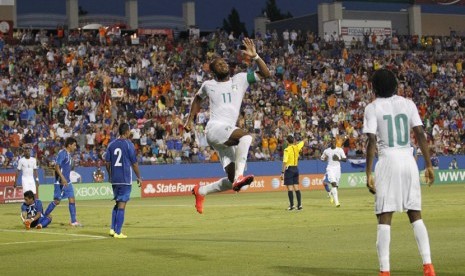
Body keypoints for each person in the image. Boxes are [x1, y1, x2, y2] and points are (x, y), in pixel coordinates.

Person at [184, 37, 270, 214]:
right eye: (218, 65)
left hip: (225, 135)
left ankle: (201, 191)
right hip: (215, 129)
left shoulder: (240, 79)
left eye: (223, 62)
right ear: (214, 73)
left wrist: (255, 57)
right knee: (246, 137)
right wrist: (190, 120)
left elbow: (266, 74)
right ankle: (239, 177)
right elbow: (197, 99)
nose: (222, 64)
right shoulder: (209, 85)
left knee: (236, 185)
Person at [363, 69, 436, 276]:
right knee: (416, 215)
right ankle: (428, 266)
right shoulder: (408, 104)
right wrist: (428, 165)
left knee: (384, 217)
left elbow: (371, 141)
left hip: (388, 160)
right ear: (396, 86)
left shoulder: (372, 107)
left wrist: (368, 172)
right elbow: (420, 133)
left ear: (373, 88)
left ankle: (385, 271)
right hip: (409, 159)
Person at [105, 123, 142, 238]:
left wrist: (110, 175)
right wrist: (139, 176)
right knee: (122, 204)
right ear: (126, 132)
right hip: (125, 179)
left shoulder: (111, 145)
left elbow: (107, 163)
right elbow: (134, 163)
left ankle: (112, 229)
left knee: (117, 203)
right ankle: (118, 232)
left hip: (115, 179)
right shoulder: (128, 144)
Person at [44, 137, 81, 227]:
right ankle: (44, 215)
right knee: (57, 201)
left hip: (67, 182)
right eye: (74, 145)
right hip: (60, 182)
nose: (75, 147)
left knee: (72, 199)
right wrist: (63, 178)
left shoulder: (68, 154)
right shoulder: (63, 153)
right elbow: (57, 167)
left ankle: (73, 221)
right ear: (69, 145)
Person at [320, 137, 347, 207]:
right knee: (334, 184)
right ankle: (337, 203)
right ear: (330, 143)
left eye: (334, 142)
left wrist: (339, 158)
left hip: (338, 169)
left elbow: (345, 159)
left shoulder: (340, 150)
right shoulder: (326, 151)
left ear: (335, 142)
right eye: (331, 142)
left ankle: (330, 193)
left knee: (336, 187)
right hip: (330, 168)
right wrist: (324, 159)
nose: (332, 143)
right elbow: (322, 158)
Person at [281, 135, 305, 210]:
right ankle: (300, 205)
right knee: (297, 187)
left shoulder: (287, 150)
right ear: (293, 141)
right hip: (296, 168)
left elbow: (285, 162)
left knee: (290, 188)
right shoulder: (297, 147)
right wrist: (304, 139)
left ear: (287, 141)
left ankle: (292, 206)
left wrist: (282, 172)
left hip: (289, 169)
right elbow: (303, 142)